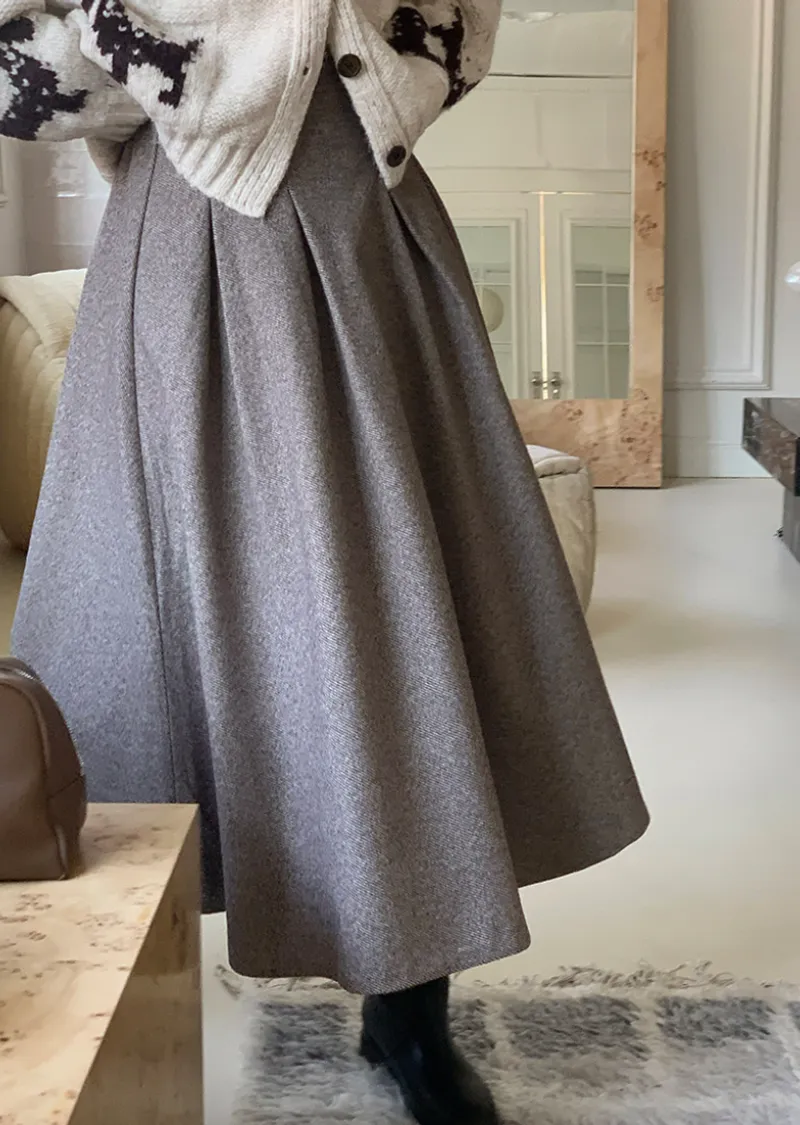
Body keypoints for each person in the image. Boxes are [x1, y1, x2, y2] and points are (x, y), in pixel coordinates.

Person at [3, 3, 649, 1122]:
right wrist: (182, 44)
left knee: (395, 614)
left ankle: (411, 1006)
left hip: (363, 227)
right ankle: (94, 999)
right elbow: (19, 77)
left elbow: (456, 27)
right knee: (142, 640)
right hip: (182, 247)